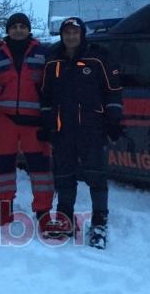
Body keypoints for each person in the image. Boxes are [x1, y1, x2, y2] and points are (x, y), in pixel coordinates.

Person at [40, 17, 123, 249]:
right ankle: (65, 219)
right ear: (62, 35)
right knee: (64, 177)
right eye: (67, 33)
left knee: (96, 176)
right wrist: (46, 122)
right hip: (62, 129)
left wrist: (114, 120)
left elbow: (113, 90)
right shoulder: (52, 58)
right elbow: (45, 95)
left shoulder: (97, 57)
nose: (71, 37)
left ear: (82, 34)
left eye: (75, 32)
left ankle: (99, 223)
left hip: (92, 128)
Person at [0, 13, 55, 230]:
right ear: (8, 30)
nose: (18, 30)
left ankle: (43, 213)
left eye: (22, 26)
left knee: (41, 169)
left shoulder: (43, 52)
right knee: (3, 167)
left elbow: (52, 85)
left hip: (34, 121)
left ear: (28, 30)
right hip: (5, 119)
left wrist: (49, 117)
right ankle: (4, 210)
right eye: (14, 26)